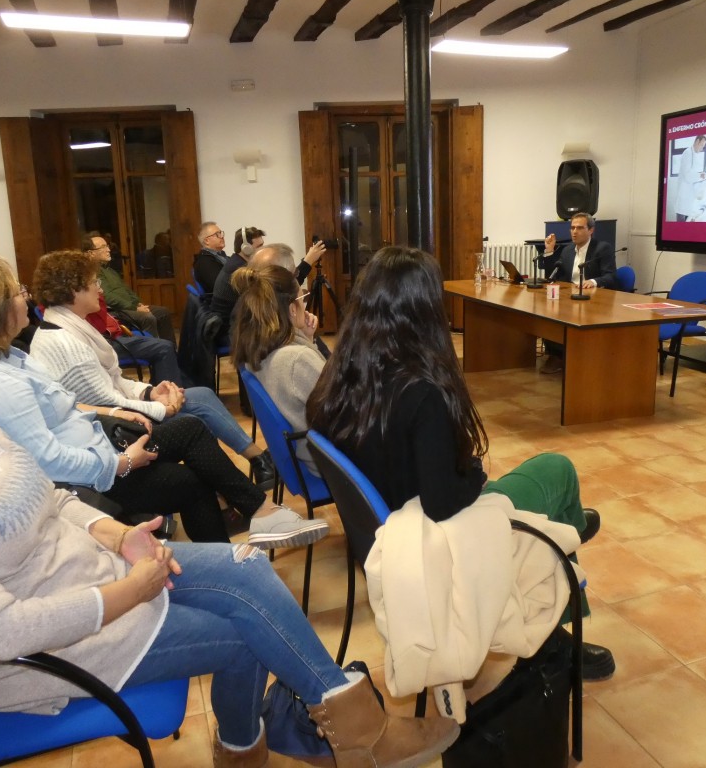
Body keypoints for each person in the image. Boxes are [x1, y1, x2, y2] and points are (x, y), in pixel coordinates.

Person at [0, 306, 460, 766]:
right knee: (244, 634)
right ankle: (324, 740)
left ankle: (294, 738)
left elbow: (55, 500)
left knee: (250, 571)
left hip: (94, 575)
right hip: (35, 657)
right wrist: (134, 587)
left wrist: (118, 533)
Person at [307, 246, 615, 681]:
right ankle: (559, 637)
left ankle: (565, 531)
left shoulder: (336, 379)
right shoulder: (420, 393)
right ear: (425, 309)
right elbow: (442, 502)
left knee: (554, 508)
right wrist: (475, 474)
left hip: (386, 529)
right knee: (557, 468)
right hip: (435, 533)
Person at [0, 256, 323, 550]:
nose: (25, 299)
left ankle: (237, 541)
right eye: (16, 292)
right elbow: (46, 461)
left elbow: (79, 403)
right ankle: (254, 514)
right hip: (94, 474)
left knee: (190, 456)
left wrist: (126, 408)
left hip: (100, 444)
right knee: (190, 441)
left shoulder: (11, 356)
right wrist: (123, 458)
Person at [232, 264, 324, 475]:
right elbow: (341, 410)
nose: (305, 304)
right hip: (329, 462)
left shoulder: (259, 348)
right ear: (292, 309)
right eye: (303, 299)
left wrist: (307, 339)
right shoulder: (297, 359)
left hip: (305, 452)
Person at [537, 212, 617, 374]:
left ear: (591, 230)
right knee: (545, 313)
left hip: (593, 301)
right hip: (570, 298)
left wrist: (593, 281)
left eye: (580, 228)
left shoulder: (602, 248)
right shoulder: (567, 251)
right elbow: (554, 275)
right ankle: (557, 355)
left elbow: (611, 276)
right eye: (572, 228)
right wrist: (550, 251)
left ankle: (567, 356)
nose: (574, 232)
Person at [82, 234, 175, 348]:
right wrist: (134, 307)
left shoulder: (108, 269)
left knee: (162, 312)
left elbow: (125, 289)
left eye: (108, 246)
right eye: (103, 247)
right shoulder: (93, 272)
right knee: (147, 317)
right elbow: (108, 297)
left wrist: (137, 303)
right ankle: (151, 351)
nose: (109, 249)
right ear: (91, 253)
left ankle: (171, 350)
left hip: (128, 307)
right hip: (115, 311)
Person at [674, 134, 706, 222]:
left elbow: (692, 172)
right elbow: (687, 175)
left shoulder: (694, 154)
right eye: (701, 145)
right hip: (684, 194)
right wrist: (699, 175)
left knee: (687, 220)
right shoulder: (688, 153)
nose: (702, 149)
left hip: (689, 194)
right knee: (681, 223)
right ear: (697, 141)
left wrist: (699, 174)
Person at [193, 221, 228, 295]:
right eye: (217, 234)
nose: (222, 236)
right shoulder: (205, 262)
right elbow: (221, 288)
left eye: (221, 233)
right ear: (206, 241)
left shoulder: (221, 256)